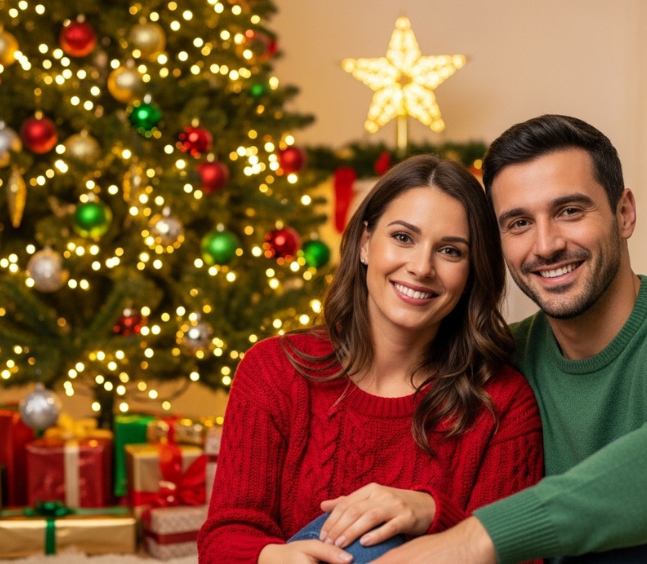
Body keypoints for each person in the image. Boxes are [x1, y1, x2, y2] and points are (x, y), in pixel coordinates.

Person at [197, 154, 544, 564]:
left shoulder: (503, 402)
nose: (420, 267)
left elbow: (519, 556)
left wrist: (430, 513)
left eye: (450, 251)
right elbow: (224, 538)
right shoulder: (273, 370)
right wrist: (273, 558)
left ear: (472, 273)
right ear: (364, 242)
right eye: (403, 237)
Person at [371, 114, 647, 564]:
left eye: (569, 211)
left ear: (624, 213)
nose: (545, 246)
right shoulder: (499, 362)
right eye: (519, 223)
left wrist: (474, 540)